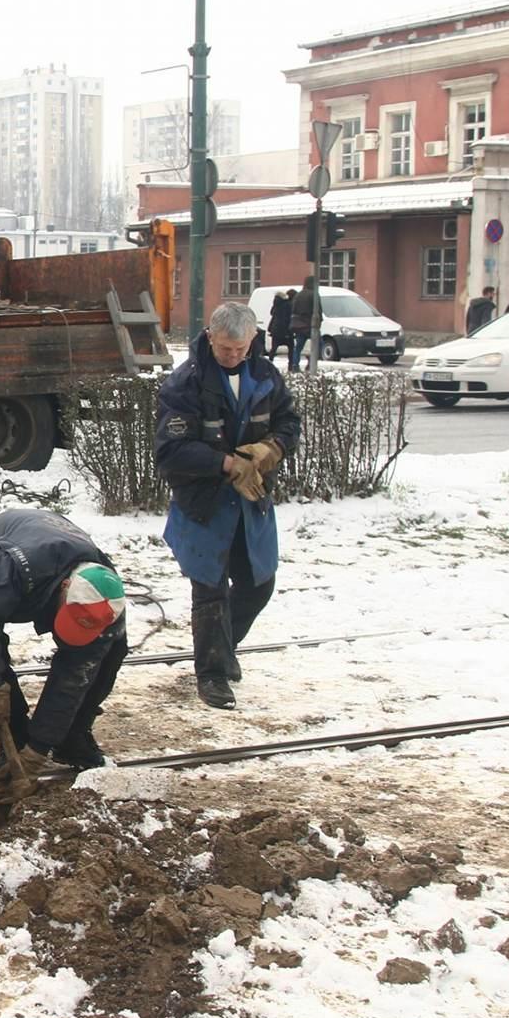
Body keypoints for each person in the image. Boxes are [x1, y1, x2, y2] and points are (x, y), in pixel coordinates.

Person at [156, 301, 302, 711]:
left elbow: (289, 422)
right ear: (210, 339)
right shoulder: (185, 384)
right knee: (210, 591)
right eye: (225, 349)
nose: (233, 356)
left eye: (240, 349)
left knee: (259, 584)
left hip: (250, 505)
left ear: (253, 340)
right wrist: (226, 463)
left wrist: (270, 448)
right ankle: (212, 675)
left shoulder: (265, 375)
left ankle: (224, 648)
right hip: (203, 504)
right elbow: (170, 451)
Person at [0, 509, 129, 787]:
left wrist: (40, 748)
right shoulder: (16, 566)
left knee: (110, 652)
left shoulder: (106, 598)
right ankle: (13, 735)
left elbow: (72, 679)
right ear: (65, 587)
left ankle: (72, 737)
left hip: (49, 558)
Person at [288, 278, 316, 371]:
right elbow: (317, 310)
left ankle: (295, 365)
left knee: (298, 347)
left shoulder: (298, 295)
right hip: (309, 324)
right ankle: (311, 363)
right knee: (319, 344)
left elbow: (293, 309)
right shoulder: (313, 294)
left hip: (298, 325)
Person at [267, 289, 294, 361]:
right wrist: (289, 331)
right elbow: (287, 318)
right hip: (286, 330)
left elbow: (272, 313)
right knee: (291, 348)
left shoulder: (276, 305)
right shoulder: (288, 304)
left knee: (274, 348)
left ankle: (270, 362)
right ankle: (291, 365)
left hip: (275, 330)